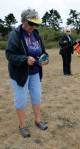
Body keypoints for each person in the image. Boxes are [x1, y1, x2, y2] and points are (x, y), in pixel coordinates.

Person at [5, 8, 49, 138]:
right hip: (20, 74)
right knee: (21, 99)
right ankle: (22, 125)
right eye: (31, 23)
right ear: (23, 21)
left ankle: (38, 120)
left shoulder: (36, 35)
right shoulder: (15, 34)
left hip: (35, 72)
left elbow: (43, 52)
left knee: (36, 97)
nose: (33, 26)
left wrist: (45, 58)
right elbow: (9, 55)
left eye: (35, 24)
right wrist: (25, 59)